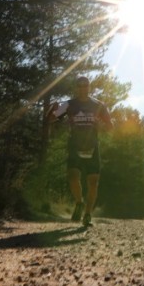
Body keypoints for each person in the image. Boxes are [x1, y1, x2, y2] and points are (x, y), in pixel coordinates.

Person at [47, 76, 113, 227]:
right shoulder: (69, 104)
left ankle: (88, 215)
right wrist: (53, 109)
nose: (83, 88)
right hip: (74, 145)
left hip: (92, 146)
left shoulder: (99, 105)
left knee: (93, 182)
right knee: (73, 176)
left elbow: (110, 127)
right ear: (76, 88)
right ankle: (79, 202)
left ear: (89, 87)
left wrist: (102, 123)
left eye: (85, 85)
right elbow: (50, 119)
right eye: (79, 85)